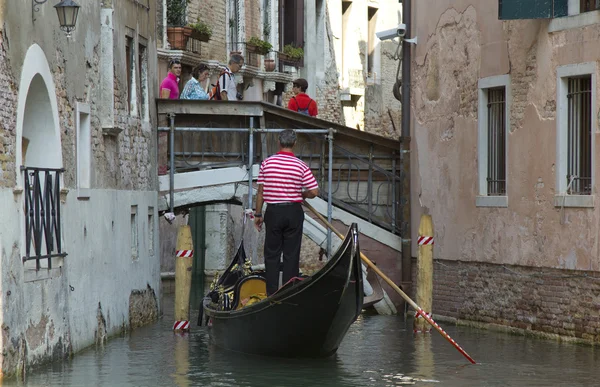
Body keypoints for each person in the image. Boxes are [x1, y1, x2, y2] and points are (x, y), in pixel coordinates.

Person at [254, 129, 319, 296]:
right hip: (293, 212)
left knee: (272, 254)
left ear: (278, 142)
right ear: (295, 143)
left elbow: (260, 191)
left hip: (273, 212)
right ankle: (288, 294)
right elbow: (314, 191)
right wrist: (301, 194)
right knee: (291, 254)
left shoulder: (267, 163)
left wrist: (258, 214)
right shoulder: (300, 165)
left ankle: (272, 295)